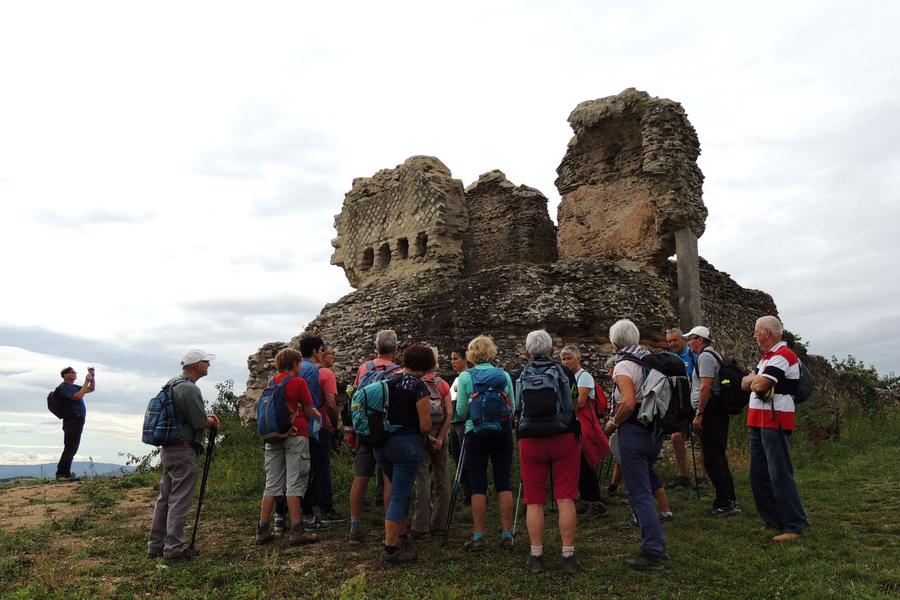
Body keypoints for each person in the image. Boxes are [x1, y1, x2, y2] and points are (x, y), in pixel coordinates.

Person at [603, 320, 669, 571]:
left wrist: (613, 422)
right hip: (654, 431)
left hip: (633, 431)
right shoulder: (648, 360)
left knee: (639, 493)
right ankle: (653, 541)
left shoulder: (623, 364)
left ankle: (653, 550)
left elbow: (629, 402)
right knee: (645, 483)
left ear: (614, 342)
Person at [148, 350, 220, 561]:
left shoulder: (172, 383)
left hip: (169, 449)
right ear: (197, 365)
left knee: (165, 498)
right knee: (179, 500)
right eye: (206, 362)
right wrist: (212, 421)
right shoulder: (189, 388)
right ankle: (174, 550)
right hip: (184, 450)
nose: (208, 365)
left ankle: (156, 546)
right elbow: (199, 422)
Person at [741, 316, 809, 542]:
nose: (754, 335)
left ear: (767, 333)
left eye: (756, 331)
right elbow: (745, 383)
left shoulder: (783, 355)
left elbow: (758, 384)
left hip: (775, 419)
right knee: (758, 473)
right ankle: (773, 521)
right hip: (758, 419)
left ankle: (794, 525)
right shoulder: (767, 358)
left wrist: (753, 380)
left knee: (779, 473)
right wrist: (753, 380)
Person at [519, 331, 580, 574]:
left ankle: (536, 555)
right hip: (563, 436)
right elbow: (574, 404)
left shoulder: (519, 374)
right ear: (552, 350)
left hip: (530, 439)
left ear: (527, 351)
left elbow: (516, 409)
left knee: (534, 500)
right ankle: (568, 554)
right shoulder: (564, 372)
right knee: (565, 497)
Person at [372, 343, 434, 565]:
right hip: (406, 445)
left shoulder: (387, 380)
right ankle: (390, 549)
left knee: (400, 491)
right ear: (425, 365)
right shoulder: (417, 386)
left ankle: (401, 535)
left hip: (381, 444)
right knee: (399, 494)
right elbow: (425, 425)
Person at [455, 335, 516, 552]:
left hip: (475, 433)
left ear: (471, 355)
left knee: (478, 483)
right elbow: (512, 407)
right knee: (503, 482)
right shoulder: (503, 375)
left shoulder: (465, 377)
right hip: (502, 432)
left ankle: (479, 535)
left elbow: (461, 411)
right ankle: (507, 534)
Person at [256, 348, 322, 546]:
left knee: (272, 483)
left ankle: (262, 529)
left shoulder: (271, 382)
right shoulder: (298, 382)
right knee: (295, 482)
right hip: (295, 434)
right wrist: (315, 414)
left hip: (273, 436)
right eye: (299, 363)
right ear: (294, 364)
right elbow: (308, 411)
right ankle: (297, 530)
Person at [348, 329, 399, 544]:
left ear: (376, 348)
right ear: (395, 349)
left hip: (365, 429)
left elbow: (355, 396)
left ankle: (355, 527)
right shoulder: (397, 372)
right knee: (389, 478)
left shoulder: (364, 368)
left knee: (361, 477)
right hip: (387, 430)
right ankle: (389, 530)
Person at [686, 326, 740, 517]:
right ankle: (728, 499)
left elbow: (706, 387)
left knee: (712, 458)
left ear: (700, 339)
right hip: (715, 412)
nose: (689, 343)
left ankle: (724, 503)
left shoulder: (705, 357)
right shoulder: (712, 355)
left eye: (691, 339)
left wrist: (699, 413)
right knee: (717, 456)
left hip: (711, 413)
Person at [559, 345, 609, 519]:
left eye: (569, 358)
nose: (565, 362)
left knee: (586, 464)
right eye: (563, 359)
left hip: (584, 425)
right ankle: (586, 500)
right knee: (578, 464)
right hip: (575, 424)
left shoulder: (584, 376)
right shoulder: (568, 377)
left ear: (578, 359)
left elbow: (580, 402)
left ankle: (596, 502)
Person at [410, 346, 453, 539]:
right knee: (443, 479)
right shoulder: (442, 384)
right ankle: (440, 524)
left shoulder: (416, 384)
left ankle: (421, 526)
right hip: (441, 434)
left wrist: (428, 436)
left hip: (422, 434)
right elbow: (449, 413)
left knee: (422, 479)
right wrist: (441, 437)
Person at [296, 335, 333, 531]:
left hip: (292, 427)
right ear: (314, 351)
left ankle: (284, 514)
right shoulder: (310, 369)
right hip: (308, 428)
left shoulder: (296, 367)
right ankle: (308, 515)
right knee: (310, 473)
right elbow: (308, 401)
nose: (322, 353)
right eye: (321, 350)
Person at [665, 328, 709, 489]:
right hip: (681, 404)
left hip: (696, 402)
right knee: (676, 437)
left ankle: (705, 477)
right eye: (669, 341)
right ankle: (683, 475)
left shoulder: (694, 356)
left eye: (675, 340)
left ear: (683, 340)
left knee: (703, 439)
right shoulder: (670, 358)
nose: (672, 344)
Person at [54, 366, 95, 482]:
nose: (74, 373)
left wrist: (92, 377)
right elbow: (77, 396)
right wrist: (86, 381)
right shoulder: (64, 387)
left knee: (72, 447)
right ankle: (62, 474)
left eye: (75, 372)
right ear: (65, 375)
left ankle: (65, 473)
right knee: (70, 447)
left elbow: (91, 389)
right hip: (72, 419)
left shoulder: (74, 387)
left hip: (77, 420)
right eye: (72, 372)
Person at [448, 349, 472, 505]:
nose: (452, 362)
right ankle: (467, 492)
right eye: (452, 359)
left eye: (455, 359)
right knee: (458, 458)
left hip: (463, 422)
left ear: (465, 359)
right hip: (454, 422)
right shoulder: (457, 379)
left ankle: (473, 493)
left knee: (467, 459)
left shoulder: (469, 376)